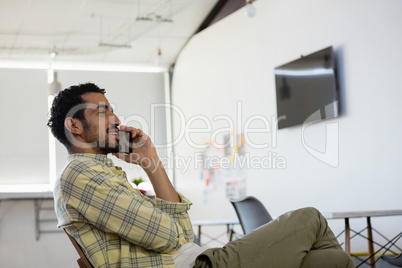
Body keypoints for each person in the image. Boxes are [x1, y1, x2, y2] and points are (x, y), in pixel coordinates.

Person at [48, 83, 354, 268]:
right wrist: (172, 232)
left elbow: (182, 230)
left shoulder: (104, 174)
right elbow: (168, 235)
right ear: (74, 126)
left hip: (202, 257)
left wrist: (150, 161)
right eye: (102, 112)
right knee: (309, 219)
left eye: (113, 110)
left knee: (333, 262)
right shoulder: (80, 175)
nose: (115, 119)